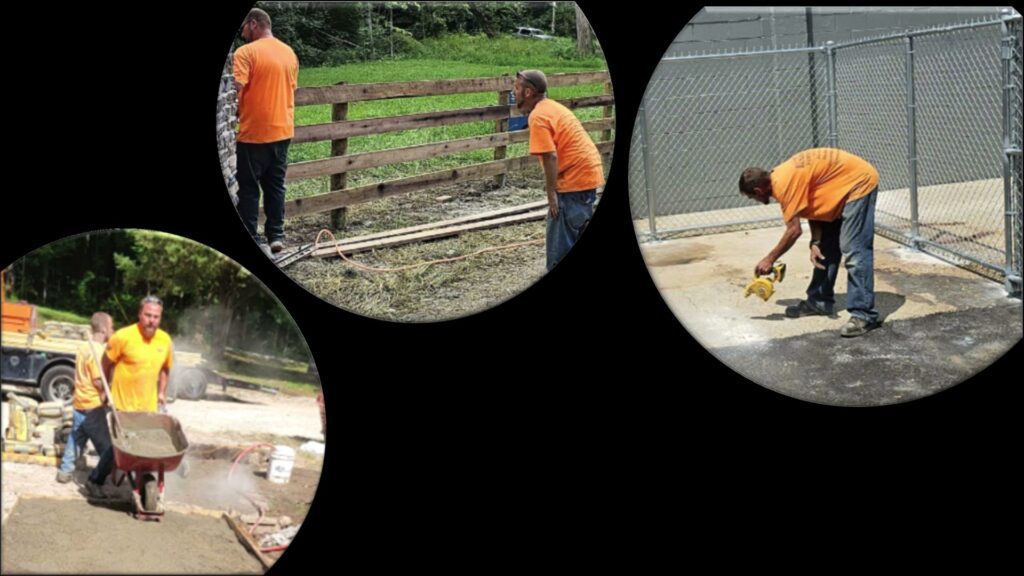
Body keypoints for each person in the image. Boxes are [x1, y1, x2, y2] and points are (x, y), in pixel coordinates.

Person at [739, 147, 881, 337]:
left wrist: (769, 259)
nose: (753, 199)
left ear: (758, 190)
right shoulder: (781, 176)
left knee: (854, 250)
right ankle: (819, 301)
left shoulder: (784, 185)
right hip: (838, 190)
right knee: (823, 249)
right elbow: (812, 206)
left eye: (751, 197)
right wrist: (816, 241)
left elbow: (794, 230)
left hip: (858, 183)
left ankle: (864, 315)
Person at [514, 69, 605, 271]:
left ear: (528, 92)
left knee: (559, 251)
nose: (514, 91)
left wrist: (551, 192)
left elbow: (550, 156)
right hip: (587, 175)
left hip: (574, 181)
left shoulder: (538, 116)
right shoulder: (551, 107)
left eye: (517, 87)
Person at [234, 7, 299, 255]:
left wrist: (236, 110)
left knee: (248, 188)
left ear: (253, 24)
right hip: (282, 131)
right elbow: (289, 89)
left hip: (254, 133)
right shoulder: (289, 53)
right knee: (275, 186)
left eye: (243, 29)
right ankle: (276, 236)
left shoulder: (245, 52)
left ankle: (251, 237)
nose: (242, 34)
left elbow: (237, 86)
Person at [92, 296, 174, 487]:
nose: (151, 320)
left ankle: (141, 481)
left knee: (144, 447)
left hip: (147, 407)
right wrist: (105, 389)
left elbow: (165, 369)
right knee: (119, 447)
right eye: (147, 315)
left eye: (156, 316)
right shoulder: (122, 336)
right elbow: (106, 364)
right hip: (122, 405)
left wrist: (162, 392)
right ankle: (95, 480)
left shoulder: (165, 340)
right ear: (139, 314)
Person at [56, 312, 114, 499]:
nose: (113, 330)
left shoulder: (83, 347)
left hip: (79, 401)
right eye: (112, 327)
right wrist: (109, 394)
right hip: (92, 405)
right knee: (108, 448)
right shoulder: (97, 351)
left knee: (77, 436)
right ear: (104, 330)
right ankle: (95, 481)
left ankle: (64, 471)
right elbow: (98, 381)